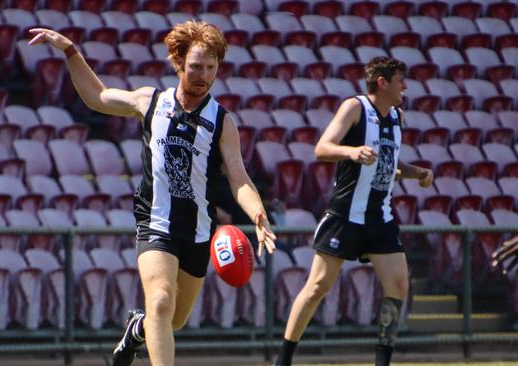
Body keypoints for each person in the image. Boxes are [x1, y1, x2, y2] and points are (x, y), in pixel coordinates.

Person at [27, 21, 277, 366]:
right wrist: (70, 50)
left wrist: (258, 215)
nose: (203, 75)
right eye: (195, 67)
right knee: (160, 301)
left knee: (173, 320)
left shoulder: (222, 122)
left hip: (197, 232)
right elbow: (97, 96)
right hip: (155, 222)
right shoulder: (151, 101)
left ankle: (136, 330)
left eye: (210, 67)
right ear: (179, 64)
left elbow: (238, 176)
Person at [273, 57, 434, 366]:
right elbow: (322, 148)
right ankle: (283, 359)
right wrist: (351, 151)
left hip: (381, 218)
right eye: (401, 80)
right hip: (346, 214)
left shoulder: (397, 117)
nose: (406, 86)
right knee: (318, 286)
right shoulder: (354, 108)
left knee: (399, 284)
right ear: (382, 82)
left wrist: (417, 173)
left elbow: (389, 163)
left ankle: (382, 362)